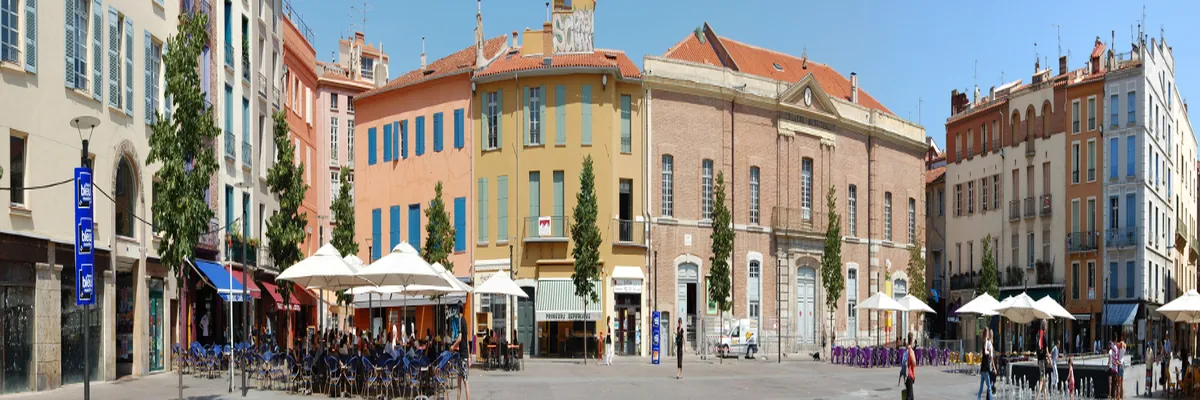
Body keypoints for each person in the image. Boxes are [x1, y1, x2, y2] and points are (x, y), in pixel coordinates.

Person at [454, 305, 470, 400]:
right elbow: (467, 339)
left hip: (462, 356)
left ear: (458, 310)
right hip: (464, 355)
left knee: (463, 383)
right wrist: (469, 356)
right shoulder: (465, 321)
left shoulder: (460, 320)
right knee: (461, 382)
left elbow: (460, 338)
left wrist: (453, 346)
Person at [978, 328, 993, 400]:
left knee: (981, 386)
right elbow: (985, 352)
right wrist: (989, 351)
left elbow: (982, 352)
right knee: (989, 387)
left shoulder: (982, 341)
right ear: (986, 333)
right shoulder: (986, 341)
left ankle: (978, 398)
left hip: (983, 365)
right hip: (986, 365)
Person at [904, 334, 916, 400]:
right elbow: (914, 363)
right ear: (911, 340)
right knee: (910, 397)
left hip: (906, 374)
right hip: (910, 374)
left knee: (909, 396)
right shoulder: (910, 350)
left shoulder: (906, 350)